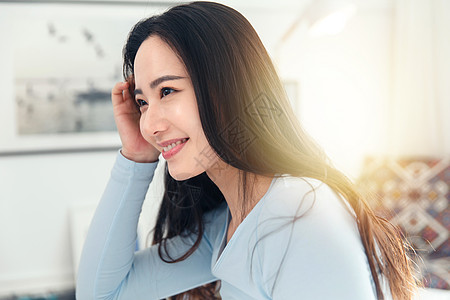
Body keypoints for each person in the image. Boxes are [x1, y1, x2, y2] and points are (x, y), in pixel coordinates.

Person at [76, 1, 418, 299]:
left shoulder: (297, 215)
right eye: (142, 102)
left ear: (227, 89)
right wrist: (136, 157)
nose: (149, 125)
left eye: (166, 91)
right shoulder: (224, 229)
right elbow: (104, 293)